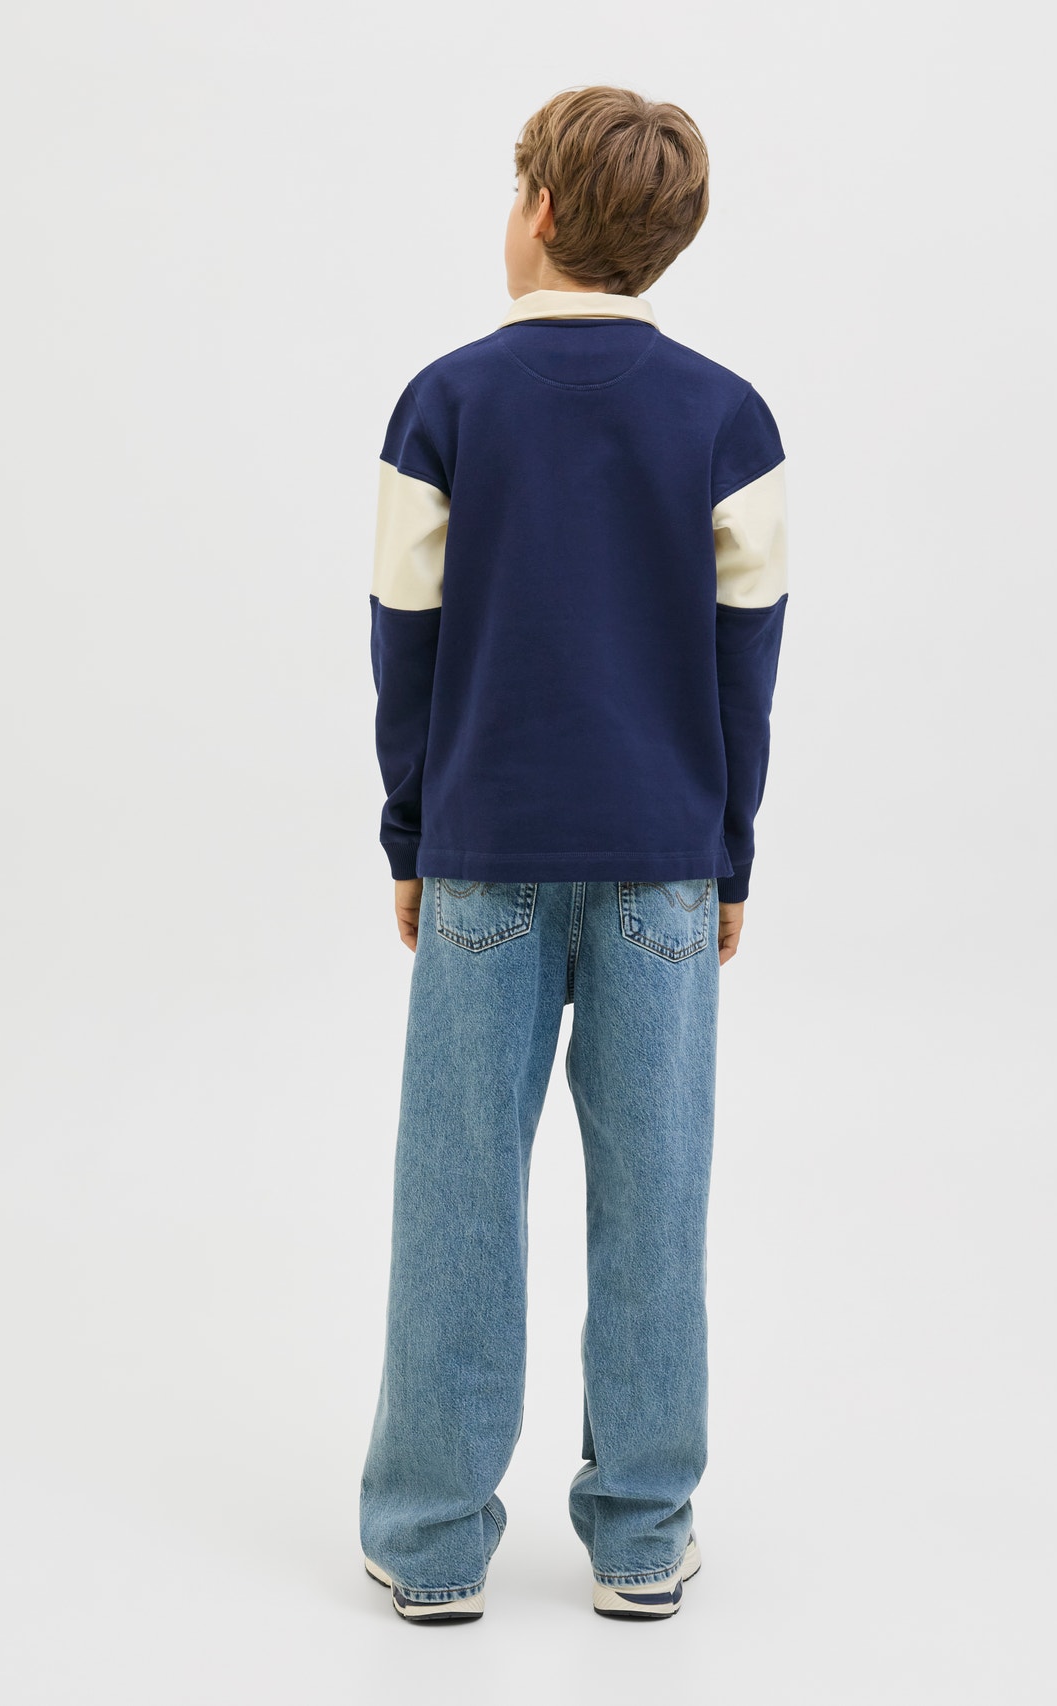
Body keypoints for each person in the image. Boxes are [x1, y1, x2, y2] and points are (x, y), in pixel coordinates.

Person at [358, 84, 788, 1623]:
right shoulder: (730, 419)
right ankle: (641, 1534)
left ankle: (428, 1539)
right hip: (664, 862)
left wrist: (413, 830)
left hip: (485, 854)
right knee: (656, 1195)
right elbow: (747, 665)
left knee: (458, 1195)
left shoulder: (445, 403)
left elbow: (404, 645)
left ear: (540, 213)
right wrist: (727, 856)